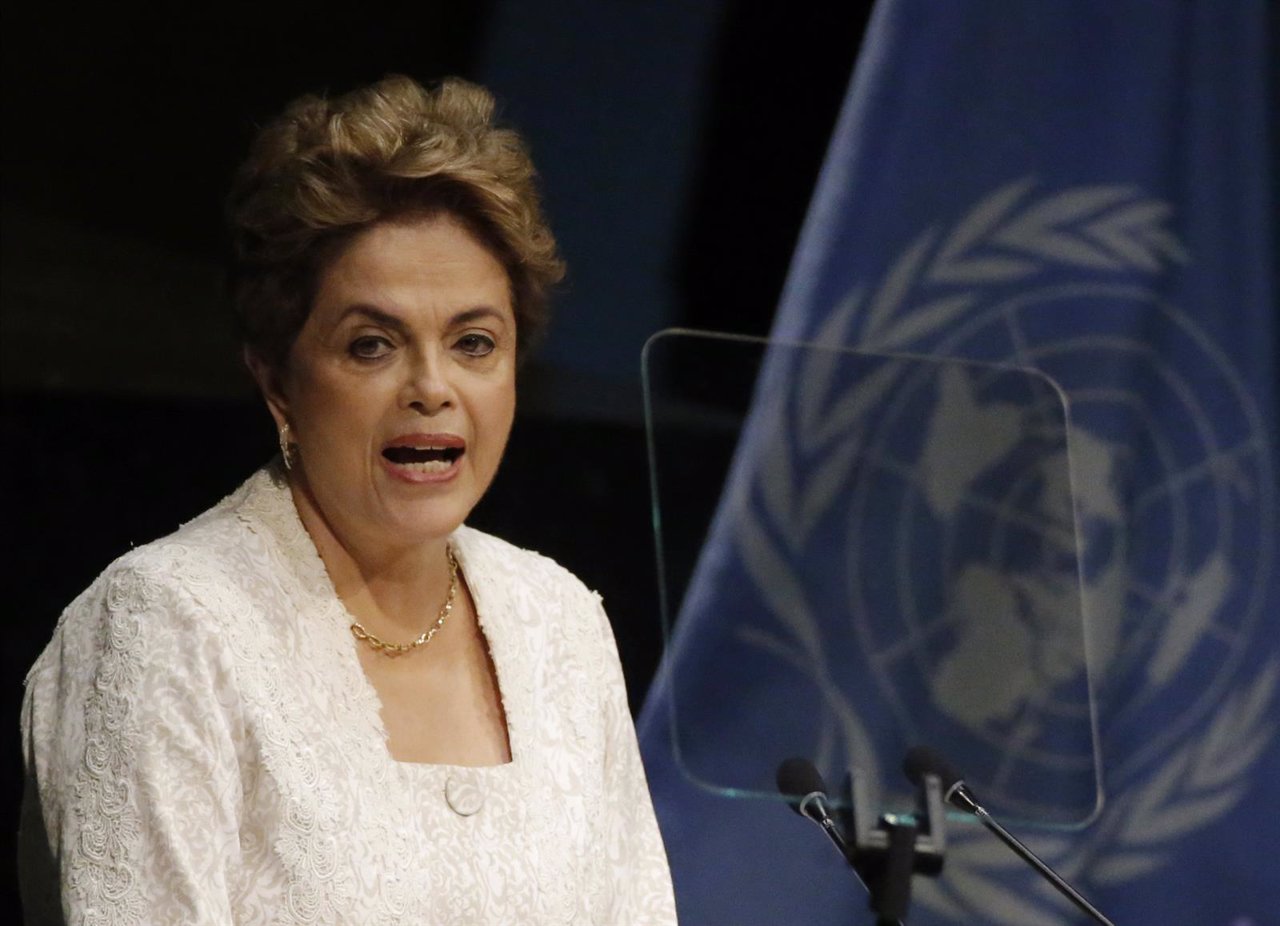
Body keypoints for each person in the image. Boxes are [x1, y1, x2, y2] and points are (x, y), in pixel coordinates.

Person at [20, 75, 678, 924]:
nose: (432, 388)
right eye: (372, 345)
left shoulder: (559, 623)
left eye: (474, 343)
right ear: (278, 381)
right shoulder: (166, 627)